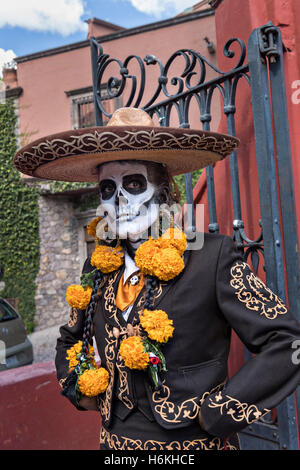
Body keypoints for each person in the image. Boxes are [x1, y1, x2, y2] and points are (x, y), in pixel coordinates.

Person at [14, 107, 300, 450]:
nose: (119, 200)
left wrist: (220, 413)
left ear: (163, 191)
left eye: (133, 184)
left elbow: (287, 344)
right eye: (107, 189)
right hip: (114, 445)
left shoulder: (211, 257)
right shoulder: (98, 267)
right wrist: (81, 387)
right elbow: (69, 339)